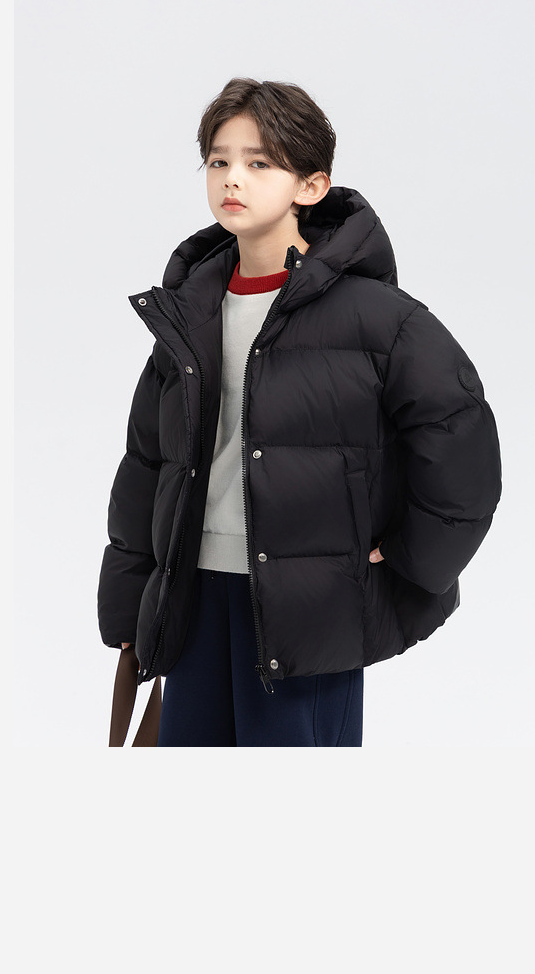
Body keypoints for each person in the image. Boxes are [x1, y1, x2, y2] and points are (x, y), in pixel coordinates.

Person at [97, 77, 502, 747]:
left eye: (260, 163)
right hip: (194, 594)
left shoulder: (379, 319)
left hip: (309, 609)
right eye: (219, 160)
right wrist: (128, 599)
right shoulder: (190, 315)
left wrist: (411, 556)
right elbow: (148, 462)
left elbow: (461, 442)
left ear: (311, 186)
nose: (233, 178)